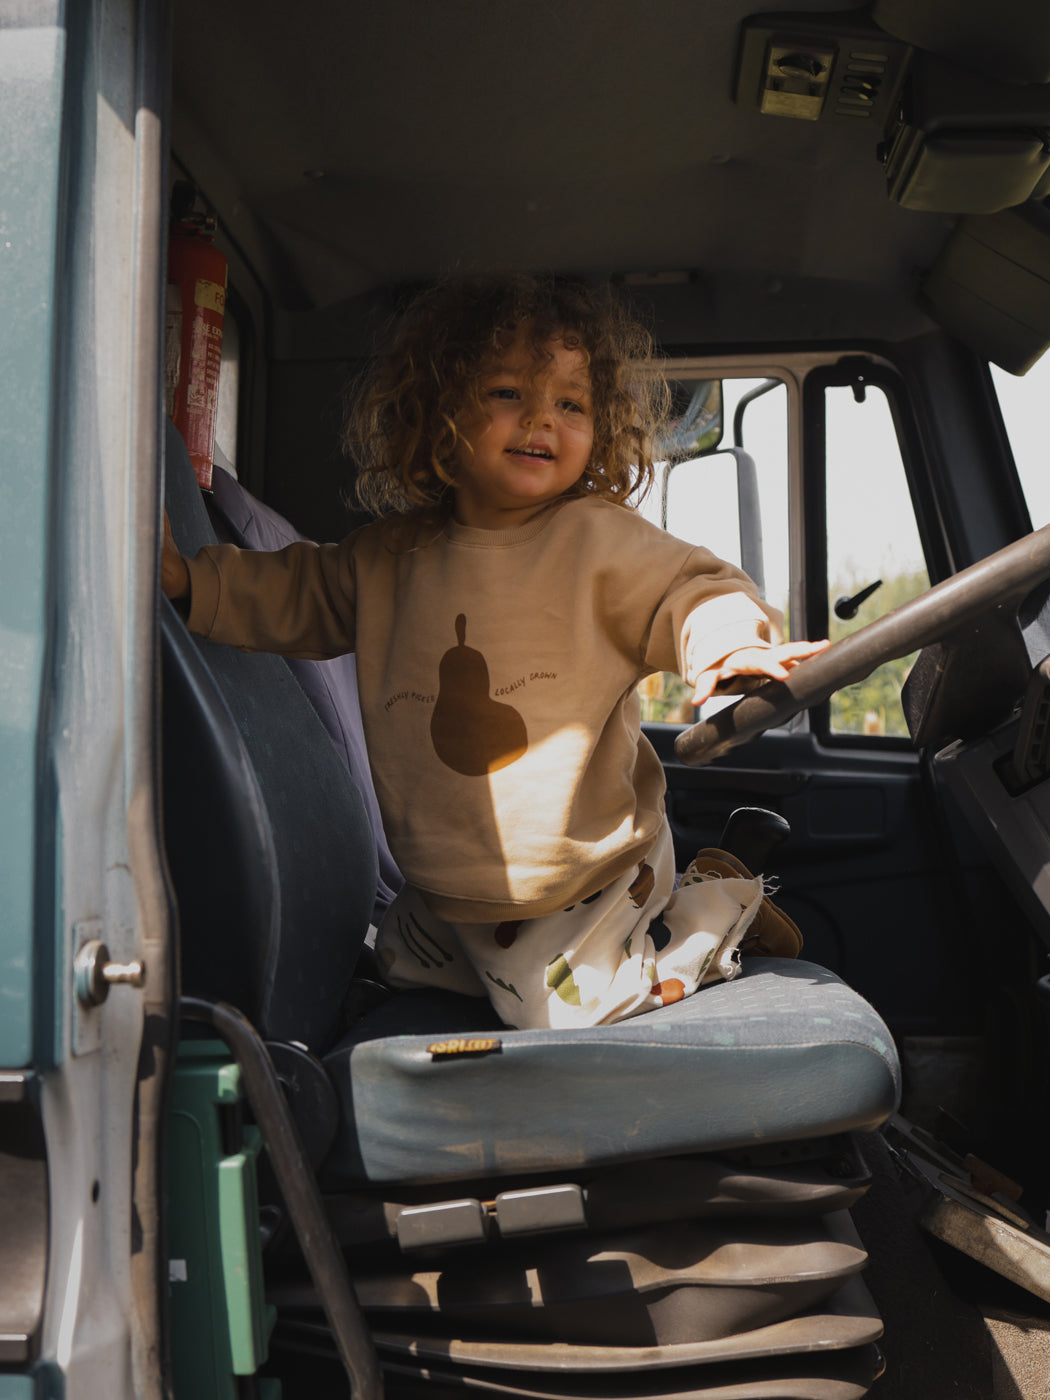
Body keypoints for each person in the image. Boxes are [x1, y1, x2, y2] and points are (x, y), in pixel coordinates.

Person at [162, 273, 828, 1030]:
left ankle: (716, 903)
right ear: (438, 410)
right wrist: (188, 579)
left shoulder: (599, 543)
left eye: (571, 404)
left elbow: (694, 588)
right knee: (399, 966)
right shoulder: (389, 557)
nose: (542, 418)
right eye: (509, 392)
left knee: (568, 1017)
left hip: (585, 879)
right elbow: (291, 593)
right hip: (445, 892)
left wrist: (727, 643)